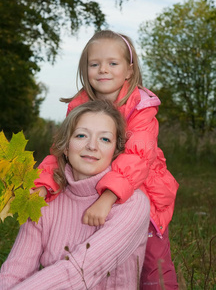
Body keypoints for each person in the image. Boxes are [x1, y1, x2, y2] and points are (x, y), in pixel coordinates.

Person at [32, 30, 179, 289]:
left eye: (113, 63)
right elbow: (62, 150)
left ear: (128, 71)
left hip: (142, 188)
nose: (103, 70)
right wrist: (44, 184)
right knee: (101, 253)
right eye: (94, 64)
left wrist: (108, 197)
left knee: (153, 262)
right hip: (92, 185)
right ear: (85, 68)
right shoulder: (79, 107)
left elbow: (137, 157)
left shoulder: (140, 108)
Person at [0, 100, 150, 290]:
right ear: (65, 145)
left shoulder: (132, 204)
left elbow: (78, 273)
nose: (92, 146)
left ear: (115, 151)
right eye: (81, 136)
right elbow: (14, 272)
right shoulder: (43, 198)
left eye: (105, 139)